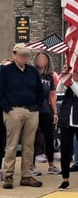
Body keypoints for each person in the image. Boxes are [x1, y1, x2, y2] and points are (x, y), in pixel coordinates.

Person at [1, 44, 46, 189]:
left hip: (31, 110)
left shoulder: (32, 71)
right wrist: (7, 108)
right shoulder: (6, 71)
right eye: (21, 54)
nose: (24, 57)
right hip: (13, 110)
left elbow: (40, 90)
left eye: (26, 55)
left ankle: (27, 175)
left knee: (29, 145)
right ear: (14, 55)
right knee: (12, 145)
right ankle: (8, 175)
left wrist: (37, 106)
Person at [33, 52, 60, 176]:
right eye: (39, 58)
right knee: (32, 138)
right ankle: (31, 166)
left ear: (48, 61)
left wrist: (54, 112)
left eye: (43, 58)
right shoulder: (31, 73)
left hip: (46, 109)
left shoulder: (50, 76)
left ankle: (51, 165)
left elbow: (52, 95)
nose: (41, 60)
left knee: (49, 137)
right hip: (33, 109)